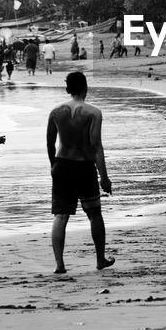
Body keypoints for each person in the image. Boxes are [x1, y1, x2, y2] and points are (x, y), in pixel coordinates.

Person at [47, 71, 115, 274]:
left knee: (60, 216)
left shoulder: (56, 111)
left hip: (61, 166)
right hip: (84, 167)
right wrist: (104, 176)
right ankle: (100, 259)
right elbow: (96, 146)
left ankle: (59, 264)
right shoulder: (93, 112)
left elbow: (50, 143)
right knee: (94, 213)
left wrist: (53, 166)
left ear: (68, 88)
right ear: (85, 87)